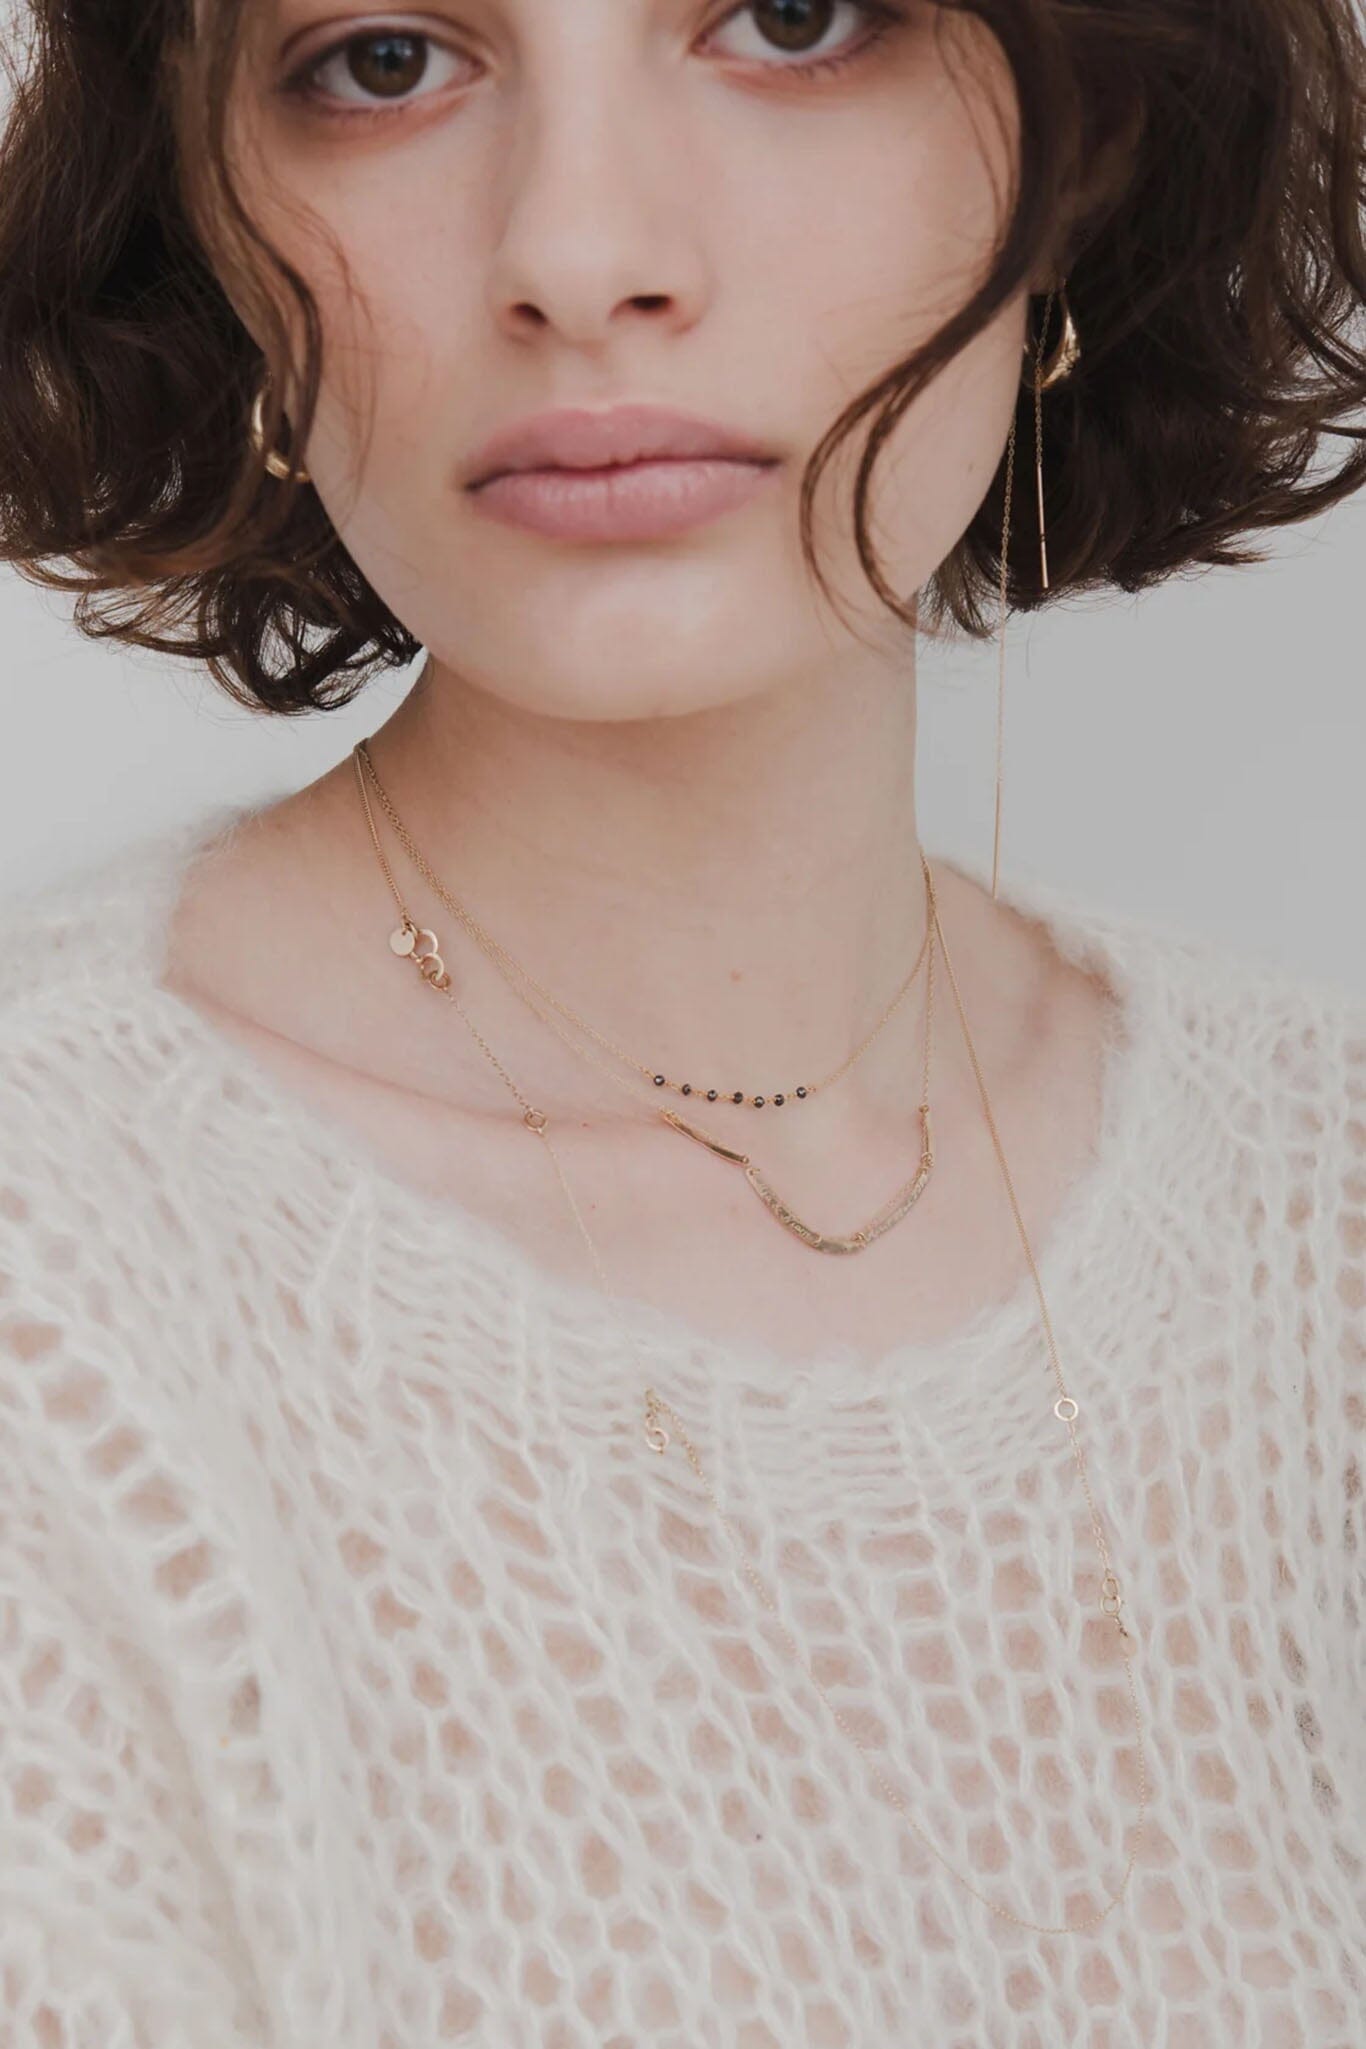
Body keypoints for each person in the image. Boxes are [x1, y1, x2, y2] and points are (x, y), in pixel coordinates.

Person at [1, 0, 1363, 2040]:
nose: (577, 251)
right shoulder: (59, 1305)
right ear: (201, 202)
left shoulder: (1318, 1193)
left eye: (790, 18)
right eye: (384, 60)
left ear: (1087, 135)